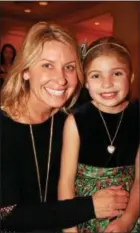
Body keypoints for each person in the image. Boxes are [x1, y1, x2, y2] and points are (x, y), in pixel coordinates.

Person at [0, 23, 129, 233]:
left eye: (69, 67)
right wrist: (90, 206)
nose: (61, 80)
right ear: (25, 70)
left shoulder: (71, 119)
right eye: (47, 65)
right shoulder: (4, 127)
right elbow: (7, 215)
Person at [58, 36, 140, 233]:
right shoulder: (76, 121)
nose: (107, 83)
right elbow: (65, 182)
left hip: (130, 210)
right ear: (85, 82)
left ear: (131, 77)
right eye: (96, 76)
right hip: (85, 214)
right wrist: (70, 230)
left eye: (117, 73)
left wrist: (127, 220)